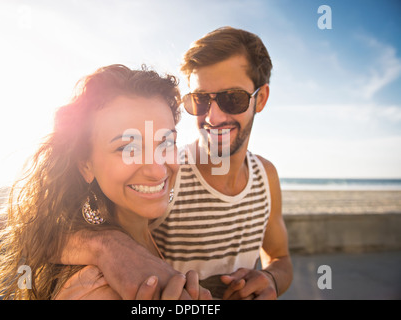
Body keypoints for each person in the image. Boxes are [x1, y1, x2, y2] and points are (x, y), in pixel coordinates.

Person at [58, 26, 293, 300]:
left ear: (260, 98)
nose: (213, 117)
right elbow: (53, 228)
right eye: (201, 100)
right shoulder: (166, 174)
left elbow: (280, 256)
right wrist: (107, 246)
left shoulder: (266, 176)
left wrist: (271, 279)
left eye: (232, 98)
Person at [0, 64, 210, 300]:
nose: (156, 170)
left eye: (166, 142)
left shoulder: (146, 218)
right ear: (86, 165)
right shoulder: (97, 289)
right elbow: (6, 224)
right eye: (128, 148)